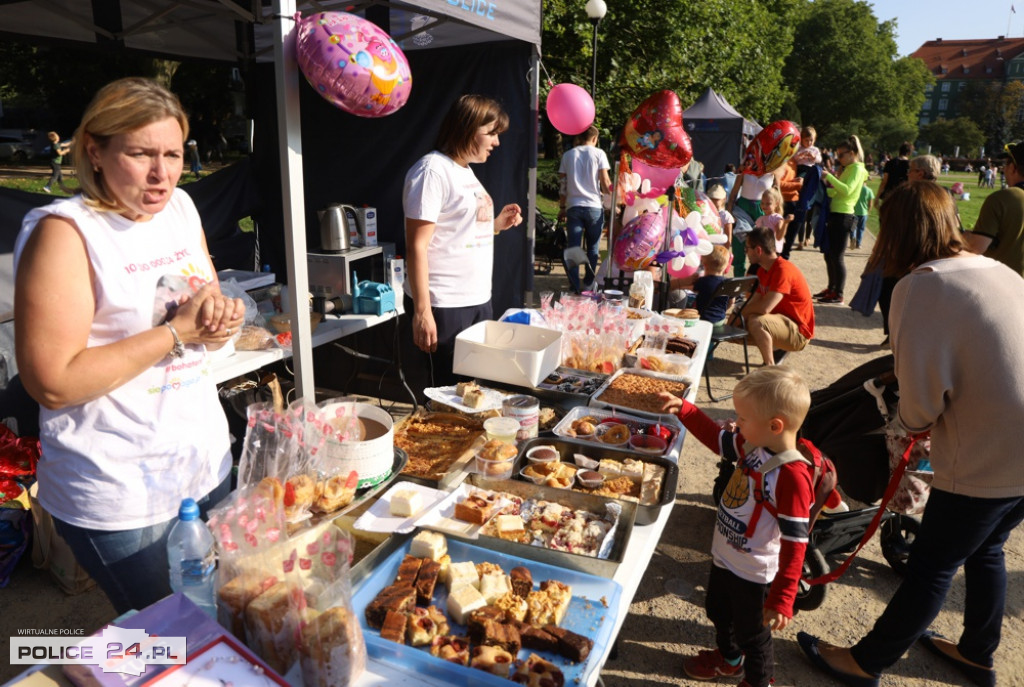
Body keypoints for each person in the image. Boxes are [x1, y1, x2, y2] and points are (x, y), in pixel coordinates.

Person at [13, 77, 245, 614]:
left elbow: (206, 316)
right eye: (141, 154)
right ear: (94, 151)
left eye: (173, 154)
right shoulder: (66, 233)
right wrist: (176, 333)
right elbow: (52, 381)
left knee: (224, 617)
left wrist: (220, 321)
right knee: (178, 634)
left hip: (205, 464)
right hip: (121, 490)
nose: (162, 173)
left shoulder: (180, 208)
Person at [797, 181, 1024, 687]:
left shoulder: (921, 286)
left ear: (895, 233)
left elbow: (920, 404)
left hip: (991, 448)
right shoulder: (996, 268)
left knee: (932, 565)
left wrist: (911, 423)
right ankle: (977, 652)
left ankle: (866, 662)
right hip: (1016, 447)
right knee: (987, 547)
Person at [657, 367, 819, 687]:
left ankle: (759, 681)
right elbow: (717, 440)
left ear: (775, 426)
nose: (736, 423)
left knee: (753, 635)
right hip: (725, 557)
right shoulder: (754, 444)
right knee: (718, 611)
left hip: (754, 574)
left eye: (743, 418)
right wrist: (685, 410)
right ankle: (730, 660)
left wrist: (783, 597)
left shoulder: (792, 477)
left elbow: (795, 544)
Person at [402, 94, 523, 392]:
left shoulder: (464, 170)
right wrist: (422, 312)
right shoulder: (431, 171)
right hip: (444, 304)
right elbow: (417, 246)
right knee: (447, 397)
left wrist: (496, 225)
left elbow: (456, 232)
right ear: (467, 128)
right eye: (491, 133)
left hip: (476, 299)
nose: (496, 142)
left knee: (471, 393)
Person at [876, 154, 946, 346]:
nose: (907, 174)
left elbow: (891, 220)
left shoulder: (910, 193)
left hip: (906, 254)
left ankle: (895, 334)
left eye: (911, 170)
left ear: (920, 173)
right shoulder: (945, 194)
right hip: (935, 257)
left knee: (891, 293)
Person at [739, 226, 814, 366]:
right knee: (738, 325)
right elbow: (754, 301)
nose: (746, 252)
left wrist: (742, 313)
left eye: (747, 248)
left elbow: (765, 308)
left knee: (755, 321)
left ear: (758, 250)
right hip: (782, 322)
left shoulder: (783, 270)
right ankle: (778, 348)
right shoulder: (763, 271)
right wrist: (738, 315)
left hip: (799, 333)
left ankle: (769, 367)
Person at [558, 125, 611, 293]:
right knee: (593, 248)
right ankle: (588, 282)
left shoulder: (568, 155)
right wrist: (613, 198)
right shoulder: (599, 154)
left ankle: (574, 285)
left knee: (573, 248)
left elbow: (563, 186)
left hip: (573, 206)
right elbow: (605, 182)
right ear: (595, 138)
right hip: (594, 206)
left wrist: (562, 207)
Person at [815, 135, 868, 305]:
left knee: (837, 256)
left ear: (852, 153)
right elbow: (838, 192)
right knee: (829, 254)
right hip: (836, 213)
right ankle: (832, 288)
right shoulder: (849, 168)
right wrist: (823, 189)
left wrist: (829, 177)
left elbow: (847, 190)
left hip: (844, 215)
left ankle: (838, 294)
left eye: (841, 155)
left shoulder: (857, 169)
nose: (838, 159)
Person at [964, 141, 1024, 277]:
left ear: (1013, 168)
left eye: (1005, 164)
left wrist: (964, 237)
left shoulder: (1003, 198)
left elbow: (976, 248)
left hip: (1004, 281)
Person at [727, 169, 776, 276]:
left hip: (763, 210)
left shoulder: (774, 170)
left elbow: (777, 195)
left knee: (761, 247)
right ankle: (739, 281)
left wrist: (776, 215)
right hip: (742, 209)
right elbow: (734, 192)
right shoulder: (747, 167)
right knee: (739, 247)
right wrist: (729, 212)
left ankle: (758, 281)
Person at [692, 245, 731, 324]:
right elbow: (731, 301)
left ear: (704, 264)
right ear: (726, 266)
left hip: (703, 320)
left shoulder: (702, 281)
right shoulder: (728, 283)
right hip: (720, 320)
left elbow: (690, 290)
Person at [754, 187, 791, 255]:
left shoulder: (777, 218)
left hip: (772, 251)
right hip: (762, 250)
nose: (764, 206)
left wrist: (785, 223)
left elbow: (779, 237)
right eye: (762, 203)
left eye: (768, 204)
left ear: (776, 204)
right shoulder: (760, 219)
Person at [850, 182, 874, 249]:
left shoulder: (855, 189)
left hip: (854, 212)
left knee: (853, 228)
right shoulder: (869, 190)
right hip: (863, 213)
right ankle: (858, 244)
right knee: (861, 229)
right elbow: (870, 204)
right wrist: (868, 212)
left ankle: (852, 241)